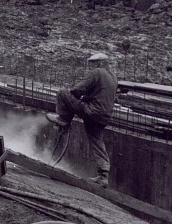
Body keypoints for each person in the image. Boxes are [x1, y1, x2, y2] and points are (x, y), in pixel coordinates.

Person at [45, 52, 118, 188]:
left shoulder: (97, 72)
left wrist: (75, 101)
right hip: (104, 117)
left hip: (92, 112)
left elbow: (77, 90)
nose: (91, 67)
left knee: (63, 93)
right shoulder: (113, 77)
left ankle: (63, 120)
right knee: (97, 142)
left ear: (99, 63)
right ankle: (103, 176)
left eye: (92, 64)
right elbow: (108, 97)